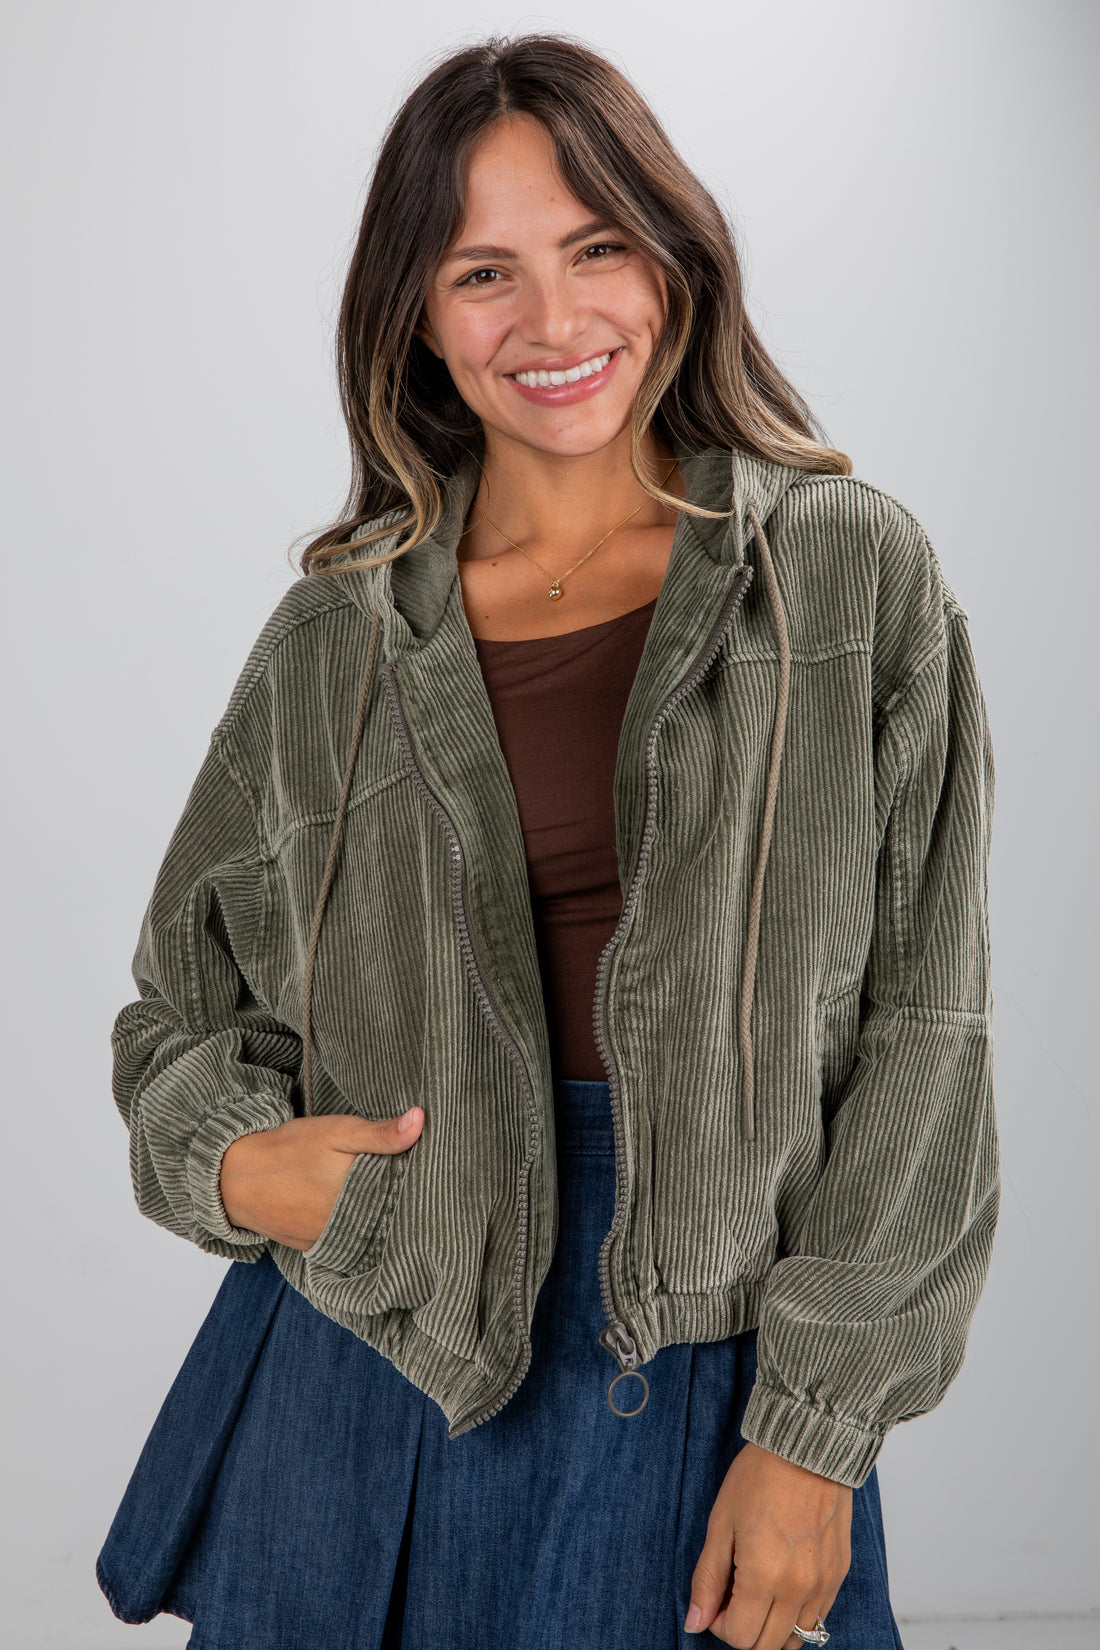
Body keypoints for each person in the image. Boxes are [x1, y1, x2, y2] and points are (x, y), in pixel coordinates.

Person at [96, 33, 998, 1650]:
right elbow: (178, 1006)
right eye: (483, 273)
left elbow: (924, 1036)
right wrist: (235, 1162)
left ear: (674, 260)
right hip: (364, 1353)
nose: (557, 320)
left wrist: (812, 1429)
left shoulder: (851, 585)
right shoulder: (335, 638)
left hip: (712, 1356)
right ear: (419, 322)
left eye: (596, 249)